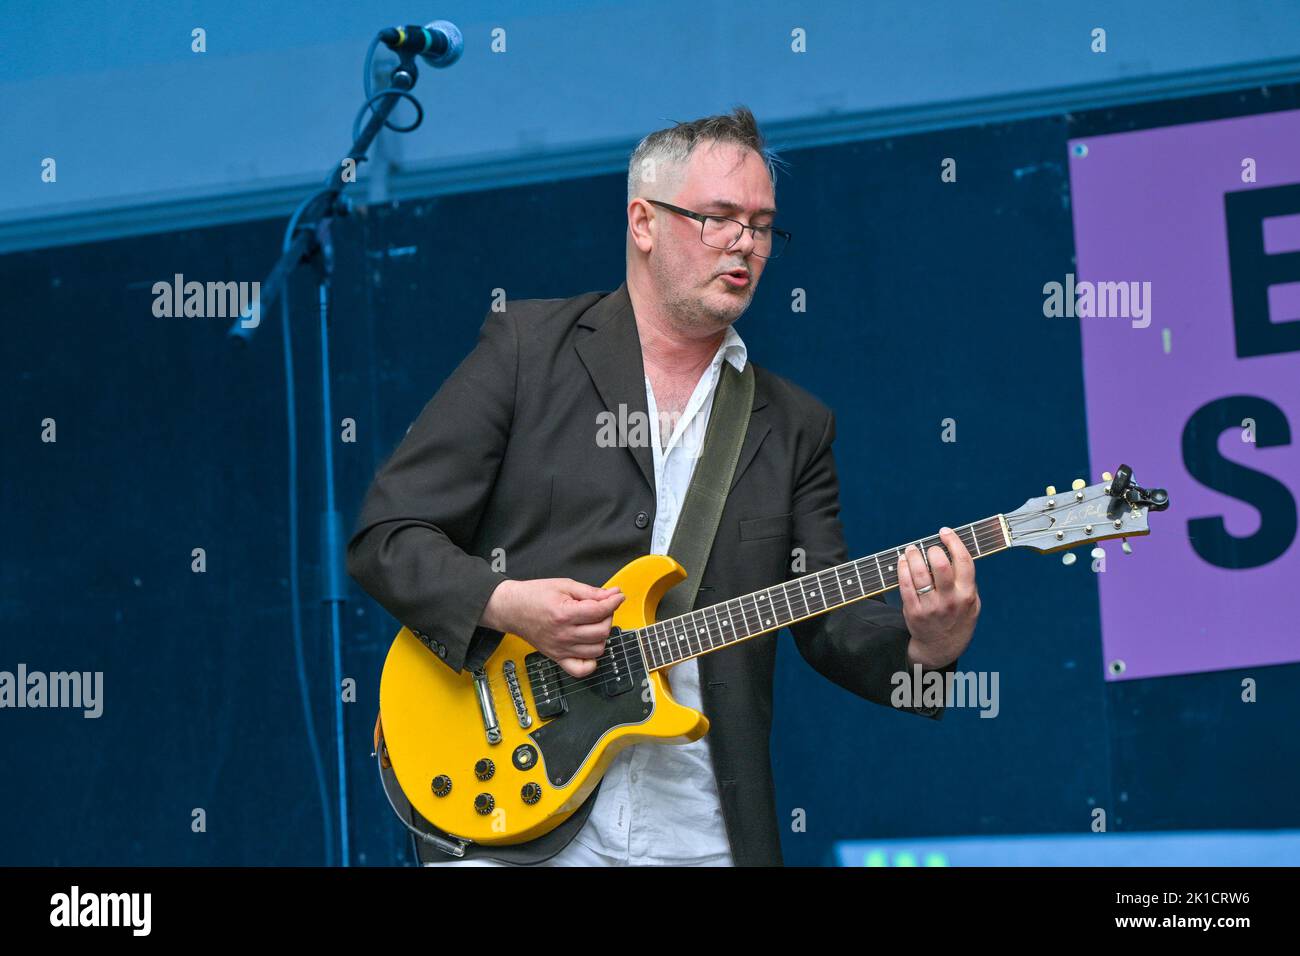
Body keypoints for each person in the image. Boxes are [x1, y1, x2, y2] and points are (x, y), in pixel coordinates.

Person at [347, 105, 980, 867]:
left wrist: (928, 648)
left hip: (700, 829)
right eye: (718, 218)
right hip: (513, 811)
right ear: (643, 223)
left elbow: (828, 623)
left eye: (762, 224)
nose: (744, 243)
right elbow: (387, 538)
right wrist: (508, 603)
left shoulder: (795, 424)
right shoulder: (527, 349)